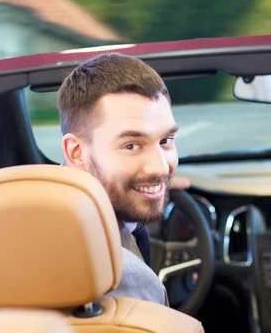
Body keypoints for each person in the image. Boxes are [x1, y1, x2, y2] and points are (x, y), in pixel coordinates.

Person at [58, 52, 189, 306]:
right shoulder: (124, 277)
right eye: (131, 146)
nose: (160, 168)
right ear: (76, 152)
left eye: (165, 141)